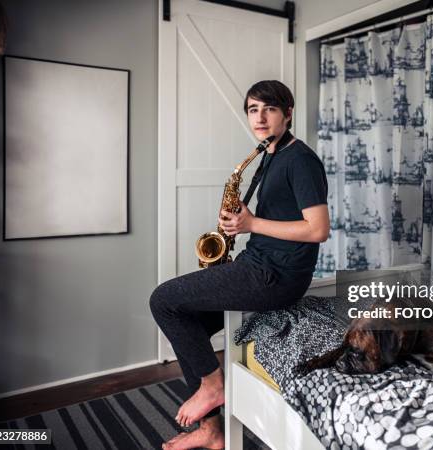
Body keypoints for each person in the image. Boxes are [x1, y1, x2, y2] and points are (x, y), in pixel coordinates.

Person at [149, 80, 330, 450]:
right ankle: (211, 430)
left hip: (275, 276)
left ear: (288, 114)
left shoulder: (300, 160)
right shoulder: (269, 154)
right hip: (259, 262)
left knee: (163, 299)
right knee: (190, 323)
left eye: (270, 109)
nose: (260, 118)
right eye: (253, 109)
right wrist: (236, 223)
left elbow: (318, 229)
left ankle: (213, 387)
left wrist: (251, 224)